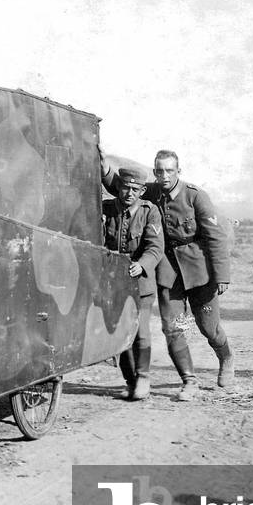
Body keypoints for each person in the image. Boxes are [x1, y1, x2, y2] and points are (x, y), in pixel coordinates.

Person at [102, 149, 232, 400]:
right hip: (168, 272)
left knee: (209, 328)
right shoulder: (151, 191)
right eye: (159, 171)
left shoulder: (195, 196)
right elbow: (121, 186)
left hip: (199, 271)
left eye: (169, 171)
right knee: (172, 328)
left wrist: (222, 276)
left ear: (178, 171)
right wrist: (104, 167)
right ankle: (189, 381)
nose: (164, 176)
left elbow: (216, 237)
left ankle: (225, 357)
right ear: (155, 172)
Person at [101, 167, 164, 399]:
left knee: (140, 331)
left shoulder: (150, 211)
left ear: (142, 191)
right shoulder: (106, 209)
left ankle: (144, 377)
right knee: (119, 333)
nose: (129, 193)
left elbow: (155, 247)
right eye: (125, 187)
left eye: (135, 189)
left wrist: (142, 264)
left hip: (141, 283)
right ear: (119, 187)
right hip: (113, 282)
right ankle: (130, 380)